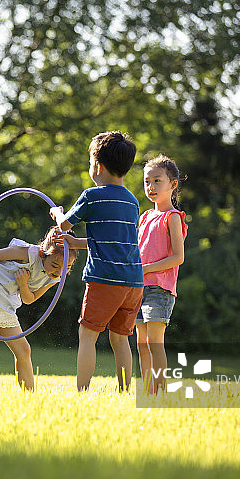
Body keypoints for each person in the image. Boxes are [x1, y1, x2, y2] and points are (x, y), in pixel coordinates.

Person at [50, 130, 143, 392]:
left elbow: (65, 224)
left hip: (104, 280)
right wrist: (76, 243)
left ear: (97, 166)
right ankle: (124, 390)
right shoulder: (132, 201)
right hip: (134, 281)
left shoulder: (92, 196)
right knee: (121, 337)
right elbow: (111, 242)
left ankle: (82, 391)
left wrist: (57, 213)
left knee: (87, 335)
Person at [0, 227, 78, 391]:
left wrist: (23, 284)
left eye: (67, 267)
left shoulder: (55, 278)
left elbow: (29, 299)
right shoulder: (29, 253)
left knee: (24, 350)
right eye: (54, 265)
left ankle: (30, 397)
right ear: (43, 254)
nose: (59, 272)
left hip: (6, 301)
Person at [135, 155, 188, 394]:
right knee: (141, 343)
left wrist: (146, 269)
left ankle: (160, 390)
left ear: (173, 184)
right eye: (147, 181)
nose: (151, 187)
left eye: (157, 181)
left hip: (160, 289)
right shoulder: (145, 216)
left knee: (154, 343)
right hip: (138, 287)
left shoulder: (173, 217)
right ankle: (148, 390)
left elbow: (178, 257)